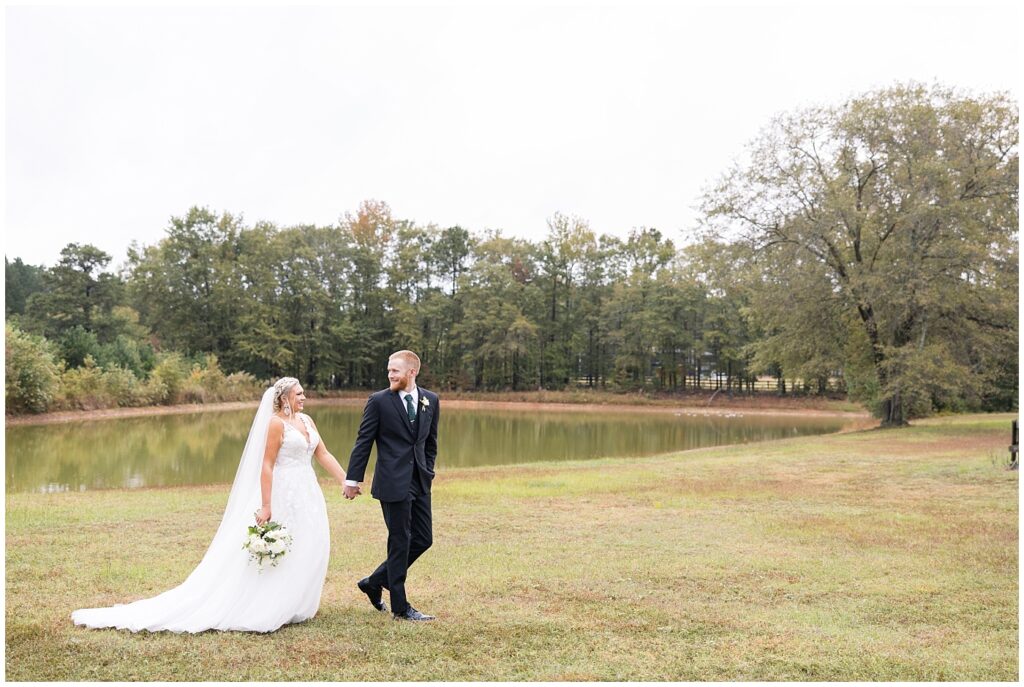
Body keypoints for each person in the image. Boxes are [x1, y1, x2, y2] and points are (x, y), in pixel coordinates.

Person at [71, 377, 349, 633]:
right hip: (281, 491)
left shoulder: (308, 421)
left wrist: (345, 481)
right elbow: (266, 464)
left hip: (307, 492)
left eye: (303, 394)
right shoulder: (276, 423)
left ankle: (296, 602)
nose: (304, 397)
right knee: (281, 545)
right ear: (285, 397)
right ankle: (269, 604)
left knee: (308, 543)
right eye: (299, 394)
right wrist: (266, 505)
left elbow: (323, 453)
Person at [345, 350, 439, 622]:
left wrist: (428, 470)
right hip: (391, 482)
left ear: (412, 372)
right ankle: (401, 607)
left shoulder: (430, 400)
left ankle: (374, 582)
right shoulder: (378, 401)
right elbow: (364, 441)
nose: (390, 375)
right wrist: (353, 479)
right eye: (388, 371)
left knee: (423, 538)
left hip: (420, 480)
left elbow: (430, 442)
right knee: (400, 541)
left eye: (395, 371)